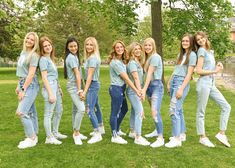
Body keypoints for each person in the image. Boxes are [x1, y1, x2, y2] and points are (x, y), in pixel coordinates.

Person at [195, 31, 231, 148]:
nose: (200, 40)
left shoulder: (209, 52)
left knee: (226, 106)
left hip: (211, 83)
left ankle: (221, 133)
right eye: (198, 40)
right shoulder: (201, 51)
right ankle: (202, 137)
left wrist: (219, 64)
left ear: (206, 37)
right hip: (204, 83)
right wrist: (215, 71)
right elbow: (199, 70)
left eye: (202, 38)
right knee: (201, 111)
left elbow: (210, 66)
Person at [164, 34, 197, 148]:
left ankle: (176, 138)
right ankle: (182, 134)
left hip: (181, 83)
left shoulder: (192, 55)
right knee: (179, 109)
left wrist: (181, 89)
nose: (184, 43)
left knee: (173, 110)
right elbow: (176, 70)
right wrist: (169, 82)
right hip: (174, 81)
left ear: (191, 42)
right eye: (183, 41)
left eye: (187, 41)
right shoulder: (180, 54)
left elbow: (189, 74)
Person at [108, 40, 141, 144]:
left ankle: (116, 129)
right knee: (115, 112)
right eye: (117, 47)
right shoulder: (115, 62)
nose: (120, 49)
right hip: (116, 89)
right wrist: (136, 90)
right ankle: (114, 135)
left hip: (121, 88)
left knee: (124, 109)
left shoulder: (122, 61)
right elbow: (126, 78)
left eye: (121, 47)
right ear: (114, 49)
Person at [39, 36, 67, 145]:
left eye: (49, 45)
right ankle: (49, 138)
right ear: (42, 48)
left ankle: (55, 132)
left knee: (59, 110)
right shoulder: (43, 60)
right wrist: (51, 93)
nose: (47, 47)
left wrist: (59, 88)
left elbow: (54, 75)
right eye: (45, 46)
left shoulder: (50, 59)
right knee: (48, 114)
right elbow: (44, 77)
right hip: (49, 88)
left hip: (55, 87)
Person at [15, 32, 40, 149]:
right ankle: (34, 134)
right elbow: (21, 71)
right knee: (30, 111)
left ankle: (31, 137)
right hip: (22, 83)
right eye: (28, 38)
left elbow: (30, 74)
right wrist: (18, 86)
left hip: (30, 85)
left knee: (22, 112)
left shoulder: (34, 55)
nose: (29, 41)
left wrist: (23, 89)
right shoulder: (23, 53)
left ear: (35, 43)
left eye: (32, 40)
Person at [80, 37, 104, 144]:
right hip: (93, 84)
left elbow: (89, 76)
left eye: (91, 45)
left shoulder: (93, 58)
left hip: (92, 85)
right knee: (96, 106)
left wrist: (85, 91)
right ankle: (101, 127)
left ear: (95, 46)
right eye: (87, 44)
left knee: (89, 109)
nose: (89, 47)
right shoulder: (90, 57)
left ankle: (97, 133)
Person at [141, 37, 164, 148]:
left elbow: (149, 74)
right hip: (149, 87)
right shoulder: (147, 58)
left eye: (149, 45)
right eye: (145, 45)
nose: (147, 47)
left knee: (155, 112)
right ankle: (156, 130)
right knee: (153, 111)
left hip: (156, 86)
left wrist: (143, 89)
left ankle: (160, 138)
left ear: (153, 46)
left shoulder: (155, 57)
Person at [126, 42, 150, 146]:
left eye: (139, 49)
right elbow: (135, 78)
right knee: (140, 112)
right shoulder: (132, 63)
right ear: (131, 51)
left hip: (135, 90)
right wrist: (140, 92)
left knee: (134, 111)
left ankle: (132, 131)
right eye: (135, 49)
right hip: (134, 91)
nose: (138, 50)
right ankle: (138, 137)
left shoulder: (137, 61)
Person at [64, 37, 87, 145]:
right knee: (81, 109)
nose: (74, 48)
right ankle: (76, 133)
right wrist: (79, 90)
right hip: (74, 87)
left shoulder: (74, 56)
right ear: (68, 47)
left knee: (75, 110)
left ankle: (75, 131)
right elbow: (77, 74)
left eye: (75, 46)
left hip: (75, 85)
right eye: (71, 46)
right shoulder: (71, 58)